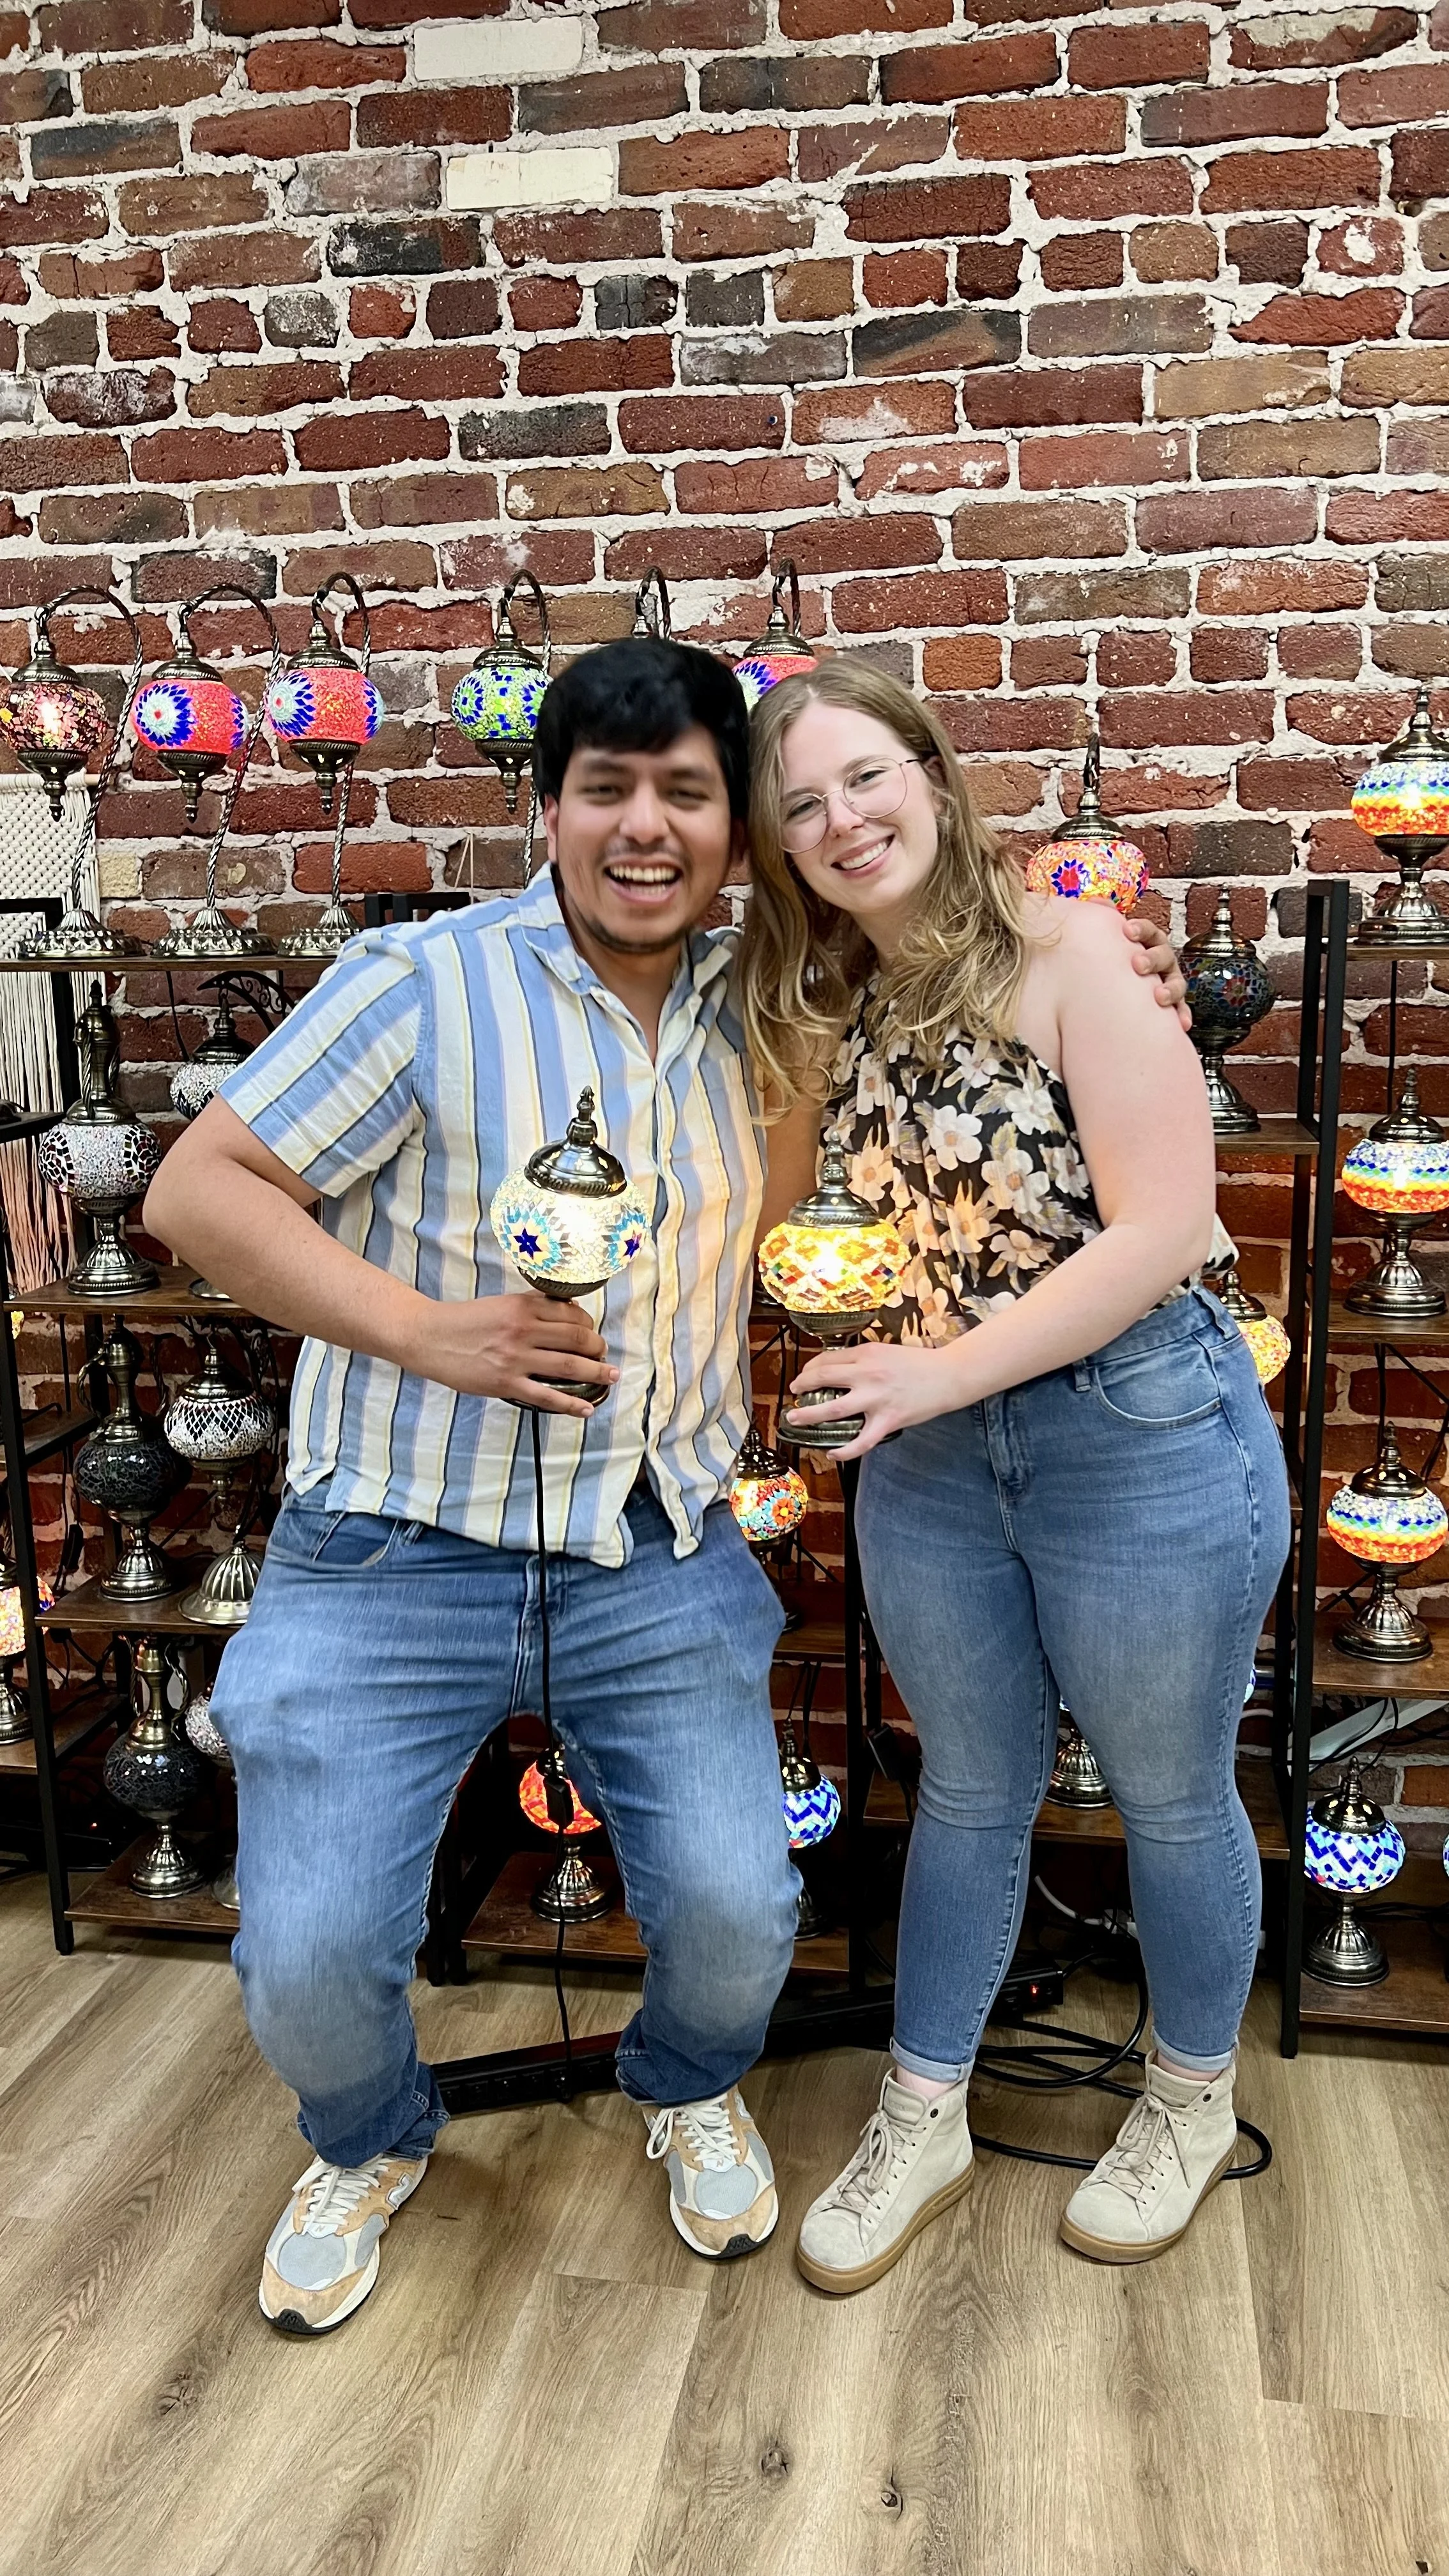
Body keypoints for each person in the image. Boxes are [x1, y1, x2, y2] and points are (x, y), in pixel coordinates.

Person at [143, 634, 1186, 2338]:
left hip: (652, 1547)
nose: (646, 827)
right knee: (312, 1957)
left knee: (734, 1910)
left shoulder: (775, 995)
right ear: (545, 808)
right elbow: (200, 1190)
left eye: (686, 793)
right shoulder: (422, 982)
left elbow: (965, 930)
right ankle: (367, 2137)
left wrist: (1095, 943)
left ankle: (683, 2081)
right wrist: (432, 1335)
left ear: (736, 826)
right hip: (388, 1549)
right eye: (604, 789)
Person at [738, 658, 1291, 2294]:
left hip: (1135, 1432)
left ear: (931, 768)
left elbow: (1166, 1228)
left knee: (1174, 1794)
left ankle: (1189, 2101)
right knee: (967, 1790)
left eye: (863, 778)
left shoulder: (1067, 953)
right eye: (801, 808)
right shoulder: (825, 1005)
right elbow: (785, 1233)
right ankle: (926, 2110)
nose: (842, 822)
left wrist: (936, 1372)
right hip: (932, 1456)